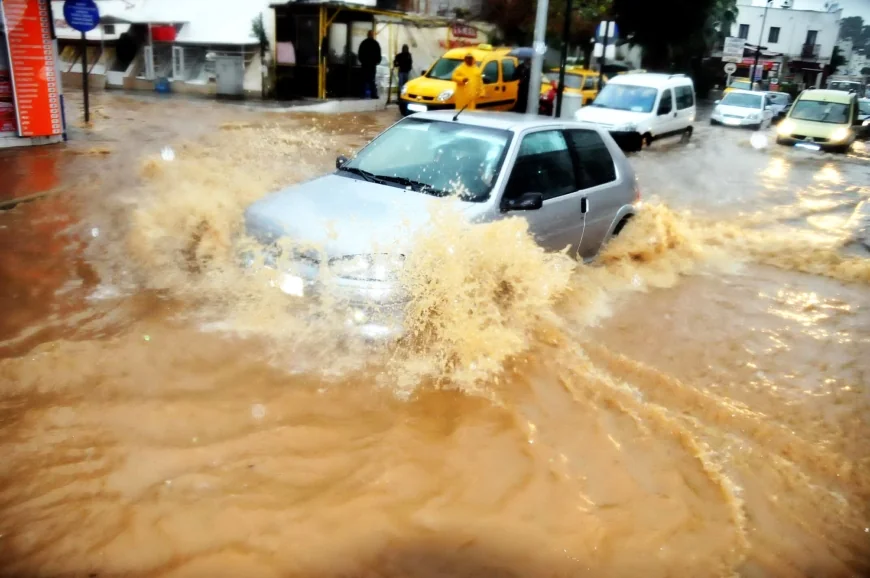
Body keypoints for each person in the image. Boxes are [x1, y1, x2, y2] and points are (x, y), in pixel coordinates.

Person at [358, 30, 382, 99]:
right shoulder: (375, 44)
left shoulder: (363, 43)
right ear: (372, 35)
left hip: (365, 64)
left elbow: (360, 54)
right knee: (372, 80)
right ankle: (373, 94)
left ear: (367, 35)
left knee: (364, 80)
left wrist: (363, 61)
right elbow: (378, 54)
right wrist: (377, 62)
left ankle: (362, 94)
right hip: (372, 65)